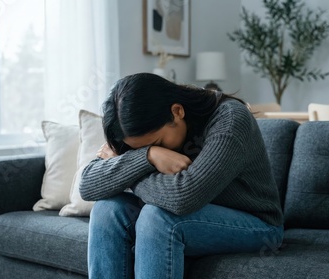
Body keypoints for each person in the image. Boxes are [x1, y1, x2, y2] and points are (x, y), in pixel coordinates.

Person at [79, 72, 284, 279]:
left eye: (156, 143)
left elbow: (183, 197)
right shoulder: (131, 131)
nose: (150, 150)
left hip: (257, 224)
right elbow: (87, 185)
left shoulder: (230, 119)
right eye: (140, 149)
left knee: (158, 218)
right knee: (107, 209)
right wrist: (149, 155)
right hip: (196, 216)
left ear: (177, 111)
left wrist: (133, 167)